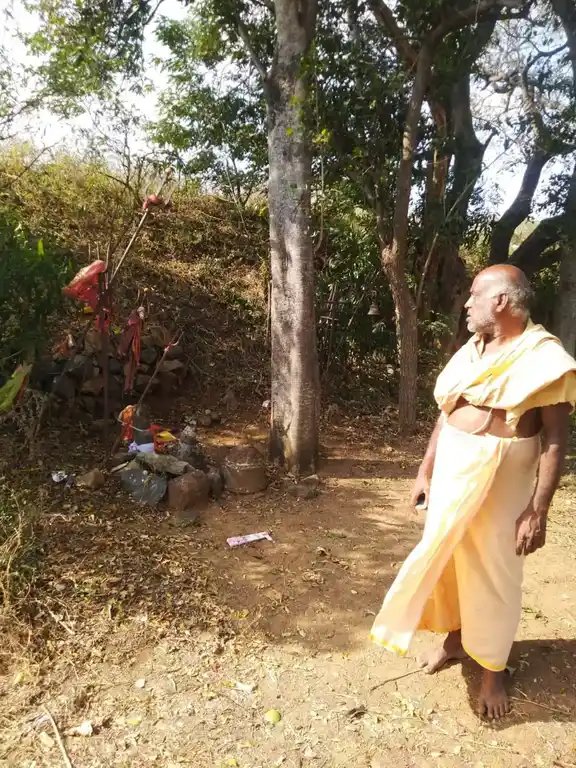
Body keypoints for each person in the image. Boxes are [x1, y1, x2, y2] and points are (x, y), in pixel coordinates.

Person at [371, 264, 576, 720]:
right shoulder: (472, 349)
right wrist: (426, 469)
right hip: (453, 467)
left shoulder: (545, 358)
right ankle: (455, 640)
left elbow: (556, 439)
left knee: (496, 571)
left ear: (501, 301)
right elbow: (447, 412)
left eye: (474, 295)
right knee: (449, 557)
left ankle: (493, 671)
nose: (466, 303)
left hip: (504, 476)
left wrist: (538, 510)